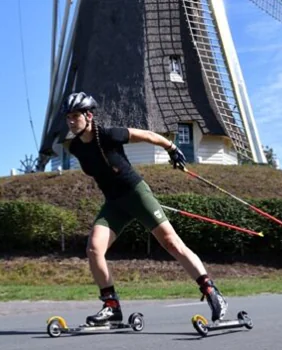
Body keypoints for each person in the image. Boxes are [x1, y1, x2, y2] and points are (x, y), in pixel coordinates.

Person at [63, 92, 228, 326]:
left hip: (136, 194)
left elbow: (148, 135)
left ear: (89, 115)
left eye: (75, 116)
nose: (70, 121)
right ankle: (111, 306)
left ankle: (212, 292)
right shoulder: (76, 148)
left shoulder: (109, 135)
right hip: (114, 204)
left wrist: (172, 148)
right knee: (93, 249)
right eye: (68, 117)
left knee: (171, 243)